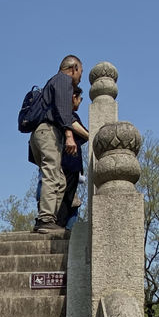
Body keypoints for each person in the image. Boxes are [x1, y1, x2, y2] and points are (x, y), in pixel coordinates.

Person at [29, 54, 83, 233]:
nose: (79, 78)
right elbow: (62, 108)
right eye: (80, 73)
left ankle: (50, 219)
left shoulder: (52, 82)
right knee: (52, 174)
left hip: (40, 135)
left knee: (59, 179)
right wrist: (69, 135)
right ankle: (45, 220)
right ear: (74, 68)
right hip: (48, 132)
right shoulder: (63, 80)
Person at [56, 86, 89, 229]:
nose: (80, 102)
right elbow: (76, 127)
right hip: (67, 162)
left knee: (69, 198)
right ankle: (59, 226)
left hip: (72, 164)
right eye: (80, 98)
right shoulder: (66, 114)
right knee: (65, 197)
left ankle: (63, 226)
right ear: (73, 97)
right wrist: (92, 135)